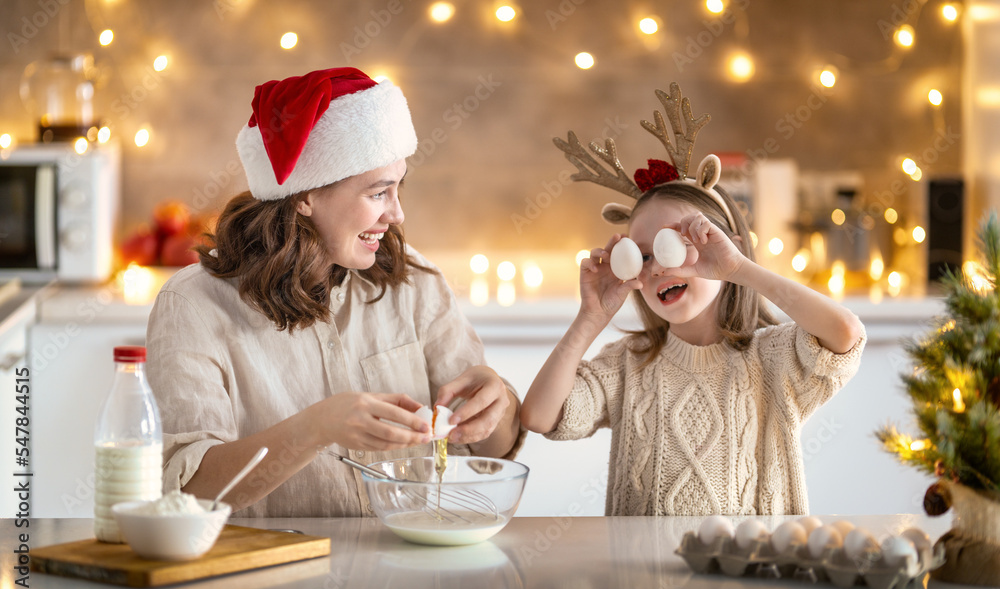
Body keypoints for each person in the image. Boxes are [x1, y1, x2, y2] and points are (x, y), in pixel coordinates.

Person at [146, 67, 522, 517]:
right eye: (379, 192)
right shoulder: (193, 306)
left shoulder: (416, 283)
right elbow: (190, 494)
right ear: (304, 196)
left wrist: (497, 404)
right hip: (270, 582)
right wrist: (316, 428)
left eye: (398, 188)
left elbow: (493, 454)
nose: (397, 214)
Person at [521, 85, 866, 516]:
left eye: (671, 247)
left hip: (753, 576)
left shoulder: (773, 359)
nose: (658, 268)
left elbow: (845, 334)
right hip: (645, 579)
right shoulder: (630, 363)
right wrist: (590, 319)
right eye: (641, 257)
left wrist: (740, 269)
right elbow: (538, 416)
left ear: (727, 247)